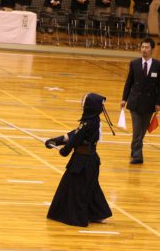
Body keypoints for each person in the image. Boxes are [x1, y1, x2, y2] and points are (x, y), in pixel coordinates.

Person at [45, 93, 112, 227]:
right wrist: (56, 141)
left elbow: (75, 139)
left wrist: (65, 150)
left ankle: (76, 216)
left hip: (83, 162)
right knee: (90, 187)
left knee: (76, 188)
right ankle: (99, 214)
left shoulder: (88, 123)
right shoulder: (92, 120)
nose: (82, 104)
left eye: (85, 102)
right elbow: (74, 133)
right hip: (88, 161)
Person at [121, 38, 160, 164]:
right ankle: (138, 156)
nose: (144, 49)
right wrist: (124, 99)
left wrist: (158, 103)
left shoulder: (158, 65)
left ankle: (134, 149)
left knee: (142, 130)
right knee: (137, 130)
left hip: (149, 104)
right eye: (142, 47)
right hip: (135, 103)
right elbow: (129, 82)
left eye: (147, 47)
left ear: (152, 49)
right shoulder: (134, 63)